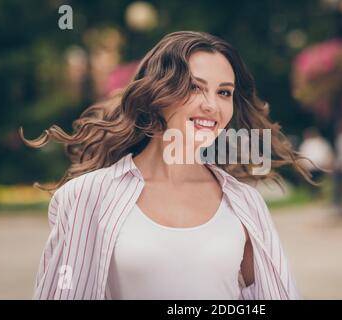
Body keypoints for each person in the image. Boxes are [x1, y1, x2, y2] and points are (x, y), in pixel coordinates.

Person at [20, 31, 313, 300]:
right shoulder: (87, 197)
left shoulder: (246, 204)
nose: (212, 105)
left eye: (224, 92)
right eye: (195, 88)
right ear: (157, 94)